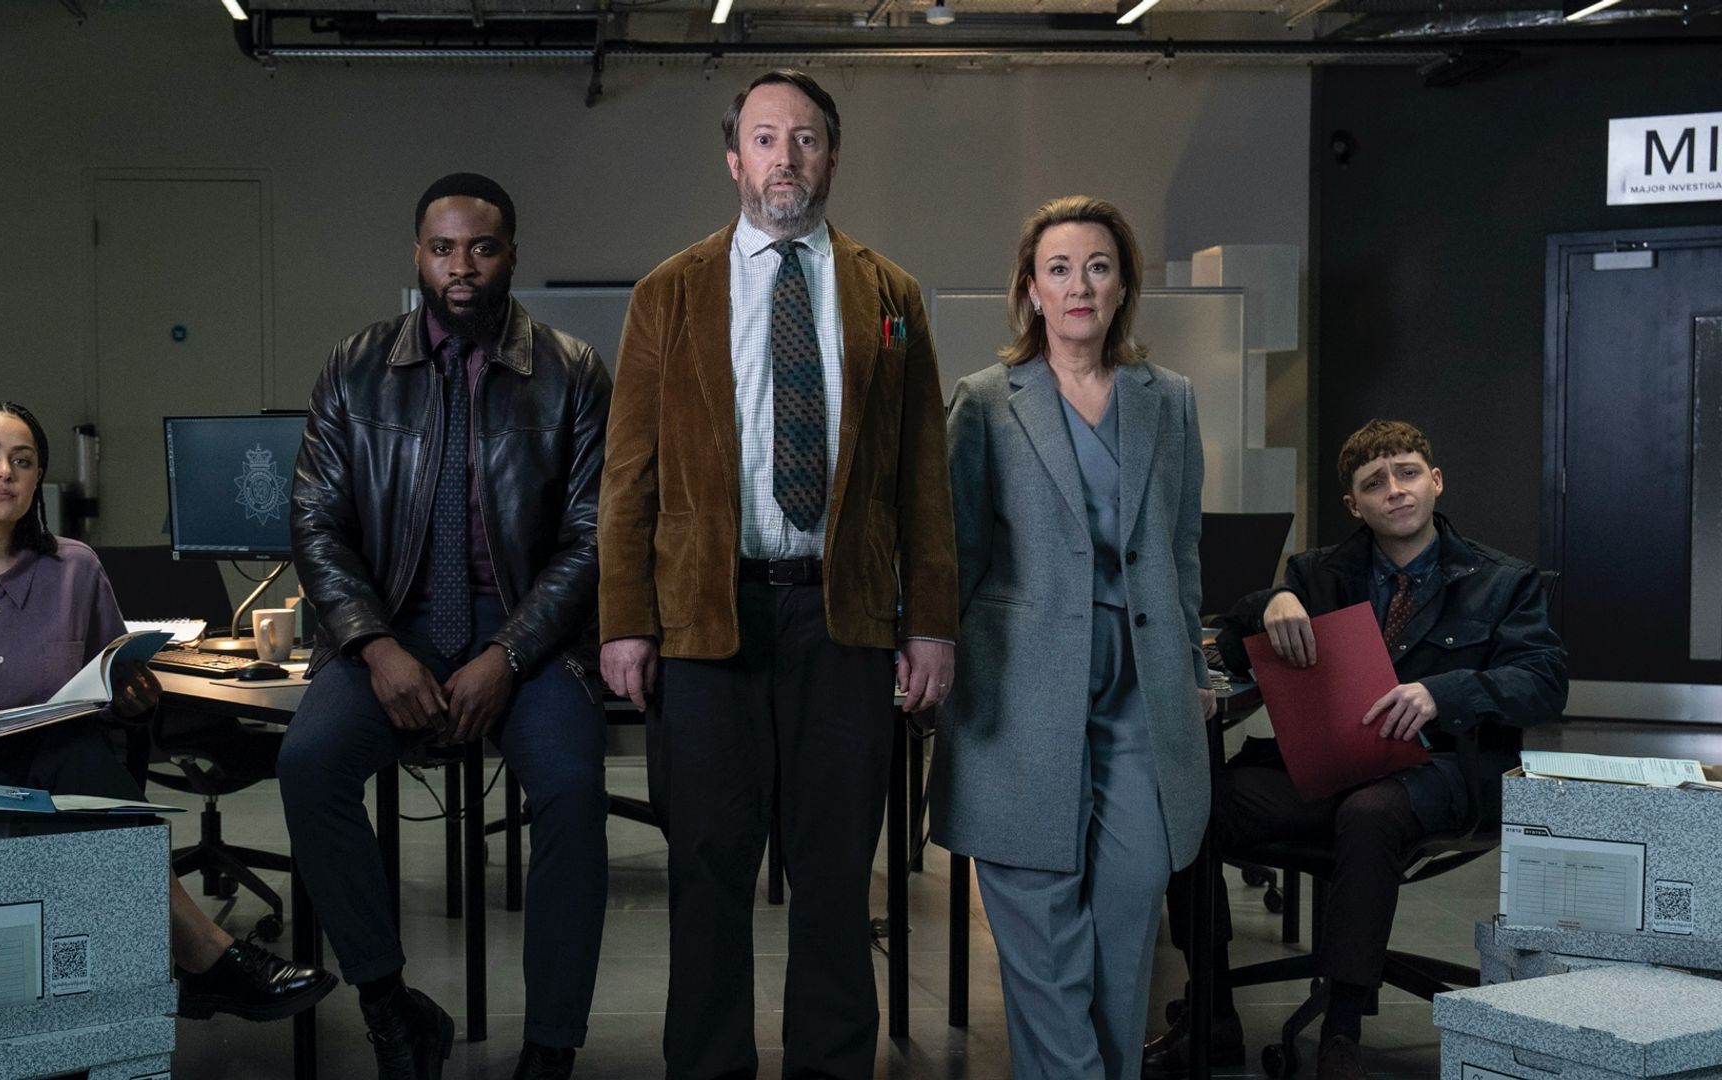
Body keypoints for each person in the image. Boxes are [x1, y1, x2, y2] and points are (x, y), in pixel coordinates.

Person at [597, 68, 957, 1080]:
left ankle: (830, 1067)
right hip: (707, 619)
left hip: (843, 620)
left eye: (805, 138)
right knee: (708, 867)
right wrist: (624, 619)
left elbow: (923, 477)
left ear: (831, 157)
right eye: (765, 138)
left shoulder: (891, 297)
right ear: (733, 160)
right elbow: (628, 475)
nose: (784, 157)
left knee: (837, 873)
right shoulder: (669, 292)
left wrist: (932, 621)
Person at [0, 398, 336, 1023]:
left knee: (87, 768)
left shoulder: (75, 568)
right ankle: (190, 965)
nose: (5, 472)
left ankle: (196, 961)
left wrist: (131, 700)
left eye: (22, 461)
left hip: (41, 754)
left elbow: (105, 682)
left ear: (36, 481)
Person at [283, 173, 613, 1080]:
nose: (461, 267)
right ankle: (391, 1008)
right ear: (418, 256)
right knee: (308, 764)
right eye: (443, 249)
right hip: (395, 622)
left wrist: (510, 653)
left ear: (511, 256)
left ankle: (550, 1047)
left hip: (529, 630)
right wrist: (373, 644)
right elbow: (314, 521)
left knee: (573, 791)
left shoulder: (573, 371)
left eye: (481, 248)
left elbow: (595, 536)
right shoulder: (355, 366)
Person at [1142, 419, 1567, 1080]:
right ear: (1354, 504)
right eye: (1375, 483)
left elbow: (1544, 682)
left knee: (1369, 814)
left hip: (1443, 770)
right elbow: (1229, 645)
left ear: (1435, 481)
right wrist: (1273, 603)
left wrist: (1442, 692)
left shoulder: (1502, 580)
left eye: (1408, 473)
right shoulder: (1317, 574)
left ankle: (1341, 1032)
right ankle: (1212, 1014)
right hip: (1333, 765)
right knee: (1191, 804)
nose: (1394, 490)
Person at [929, 196, 1212, 1080]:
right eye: (1059, 269)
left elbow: (1181, 548)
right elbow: (954, 555)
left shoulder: (1169, 400)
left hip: (1142, 689)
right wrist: (930, 657)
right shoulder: (986, 401)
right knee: (1044, 935)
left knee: (1129, 910)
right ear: (1031, 291)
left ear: (1123, 285)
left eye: (1098, 266)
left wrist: (1194, 668)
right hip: (1019, 690)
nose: (1079, 284)